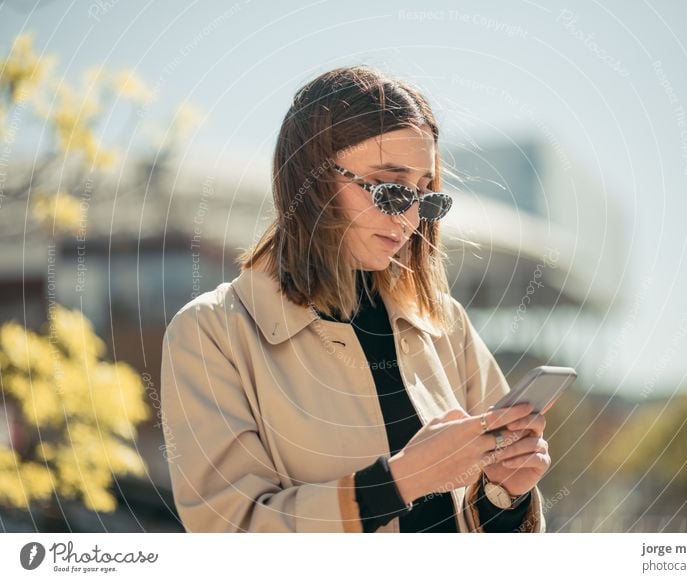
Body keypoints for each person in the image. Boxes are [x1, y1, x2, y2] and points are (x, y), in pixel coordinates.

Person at [160, 65, 551, 533]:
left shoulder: (445, 324)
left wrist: (506, 494)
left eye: (426, 196)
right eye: (389, 190)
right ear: (311, 180)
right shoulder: (211, 334)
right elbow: (230, 532)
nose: (409, 220)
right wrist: (405, 479)